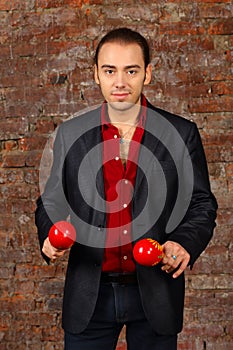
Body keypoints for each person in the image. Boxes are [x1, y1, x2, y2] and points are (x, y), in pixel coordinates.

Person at [35, 28, 217, 350]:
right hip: (89, 293)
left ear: (147, 73)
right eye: (109, 70)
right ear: (96, 75)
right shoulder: (71, 133)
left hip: (156, 291)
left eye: (131, 70)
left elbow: (201, 203)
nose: (120, 81)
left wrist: (184, 242)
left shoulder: (181, 132)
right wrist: (50, 235)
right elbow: (50, 201)